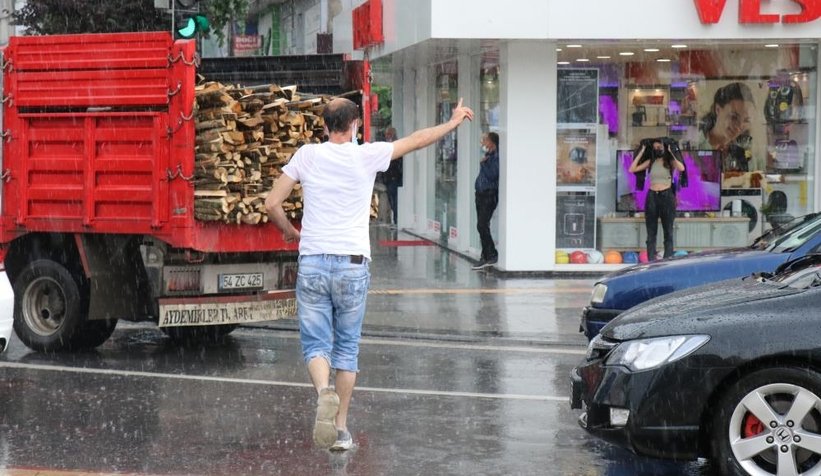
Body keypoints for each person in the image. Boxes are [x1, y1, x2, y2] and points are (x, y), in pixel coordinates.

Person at [265, 97, 473, 451]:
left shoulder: (307, 155)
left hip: (314, 260)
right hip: (352, 264)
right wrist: (451, 123)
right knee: (347, 349)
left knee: (316, 344)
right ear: (355, 126)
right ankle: (341, 430)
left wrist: (288, 230)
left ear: (325, 125)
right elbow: (417, 140)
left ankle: (323, 391)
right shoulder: (367, 155)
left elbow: (271, 203)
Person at [629, 139, 685, 260]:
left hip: (667, 196)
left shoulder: (669, 162)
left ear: (664, 147)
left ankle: (667, 260)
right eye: (655, 148)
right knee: (651, 233)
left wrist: (672, 153)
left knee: (668, 231)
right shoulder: (650, 162)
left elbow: (681, 168)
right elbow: (632, 169)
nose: (657, 149)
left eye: (659, 147)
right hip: (652, 196)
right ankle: (651, 260)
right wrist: (642, 151)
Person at [697, 82, 755, 172]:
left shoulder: (747, 151)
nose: (739, 126)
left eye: (746, 120)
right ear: (718, 110)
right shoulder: (695, 145)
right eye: (734, 117)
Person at [472, 132, 500, 270]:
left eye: (485, 140)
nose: (483, 143)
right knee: (482, 225)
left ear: (492, 142)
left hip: (489, 194)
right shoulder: (489, 155)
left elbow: (493, 175)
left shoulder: (496, 157)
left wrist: (483, 164)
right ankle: (485, 255)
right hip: (481, 194)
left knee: (482, 225)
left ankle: (491, 254)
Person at [382, 127, 403, 225]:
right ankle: (395, 219)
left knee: (395, 200)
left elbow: (397, 162)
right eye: (386, 135)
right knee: (391, 199)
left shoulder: (396, 146)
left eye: (389, 135)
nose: (387, 137)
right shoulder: (386, 145)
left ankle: (397, 219)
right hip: (388, 177)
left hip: (394, 177)